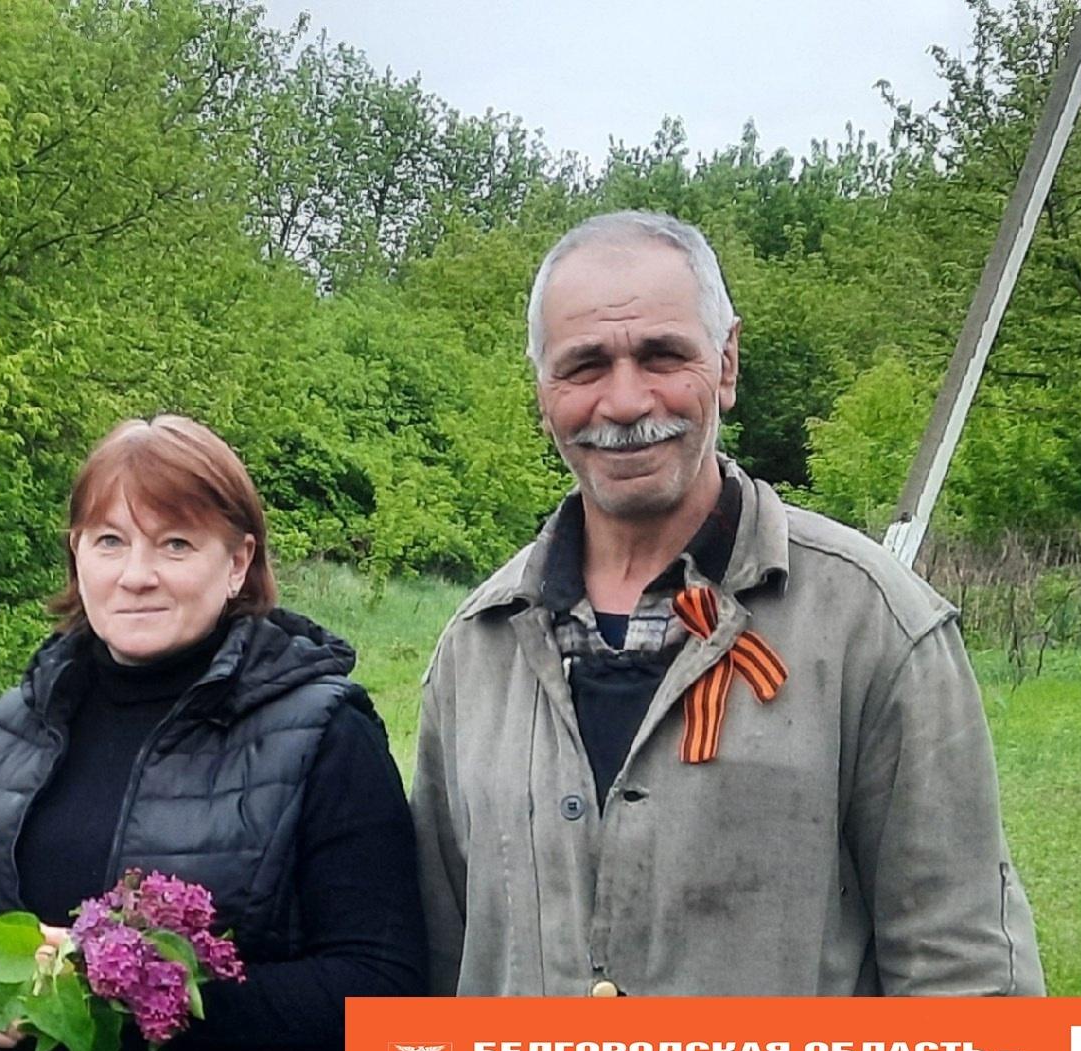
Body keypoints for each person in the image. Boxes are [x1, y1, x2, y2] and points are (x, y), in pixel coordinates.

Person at [410, 210, 1045, 997]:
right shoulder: (477, 649)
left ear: (727, 363)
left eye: (662, 355)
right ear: (543, 392)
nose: (625, 401)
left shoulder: (873, 623)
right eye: (584, 366)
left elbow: (966, 971)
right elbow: (437, 975)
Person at [0, 415, 426, 1051]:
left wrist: (150, 989)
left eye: (176, 543)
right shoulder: (26, 721)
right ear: (77, 553)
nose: (136, 574)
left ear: (238, 562)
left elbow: (382, 985)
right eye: (109, 541)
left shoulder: (322, 731)